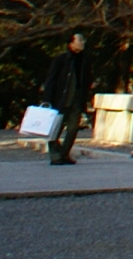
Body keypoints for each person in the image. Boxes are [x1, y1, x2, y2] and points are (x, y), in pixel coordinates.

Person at [38, 32, 95, 165]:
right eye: (79, 40)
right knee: (55, 129)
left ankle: (63, 154)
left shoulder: (85, 60)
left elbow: (87, 79)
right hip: (61, 99)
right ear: (71, 43)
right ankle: (55, 156)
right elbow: (51, 80)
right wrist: (47, 98)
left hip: (77, 99)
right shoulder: (61, 59)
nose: (82, 43)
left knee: (73, 128)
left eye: (83, 40)